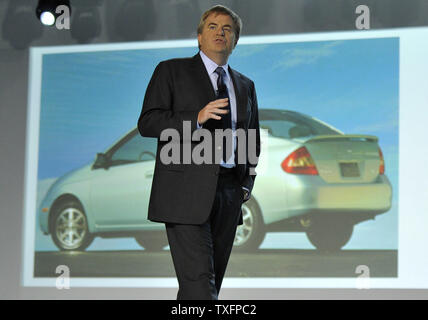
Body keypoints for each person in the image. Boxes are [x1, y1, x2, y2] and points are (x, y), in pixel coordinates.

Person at [137, 5, 260, 300]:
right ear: (200, 37)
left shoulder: (245, 85)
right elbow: (148, 122)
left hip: (229, 193)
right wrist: (196, 117)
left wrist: (245, 185)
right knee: (201, 287)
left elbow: (251, 139)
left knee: (204, 287)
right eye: (213, 27)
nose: (221, 33)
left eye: (228, 29)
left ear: (235, 41)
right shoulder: (171, 70)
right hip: (184, 192)